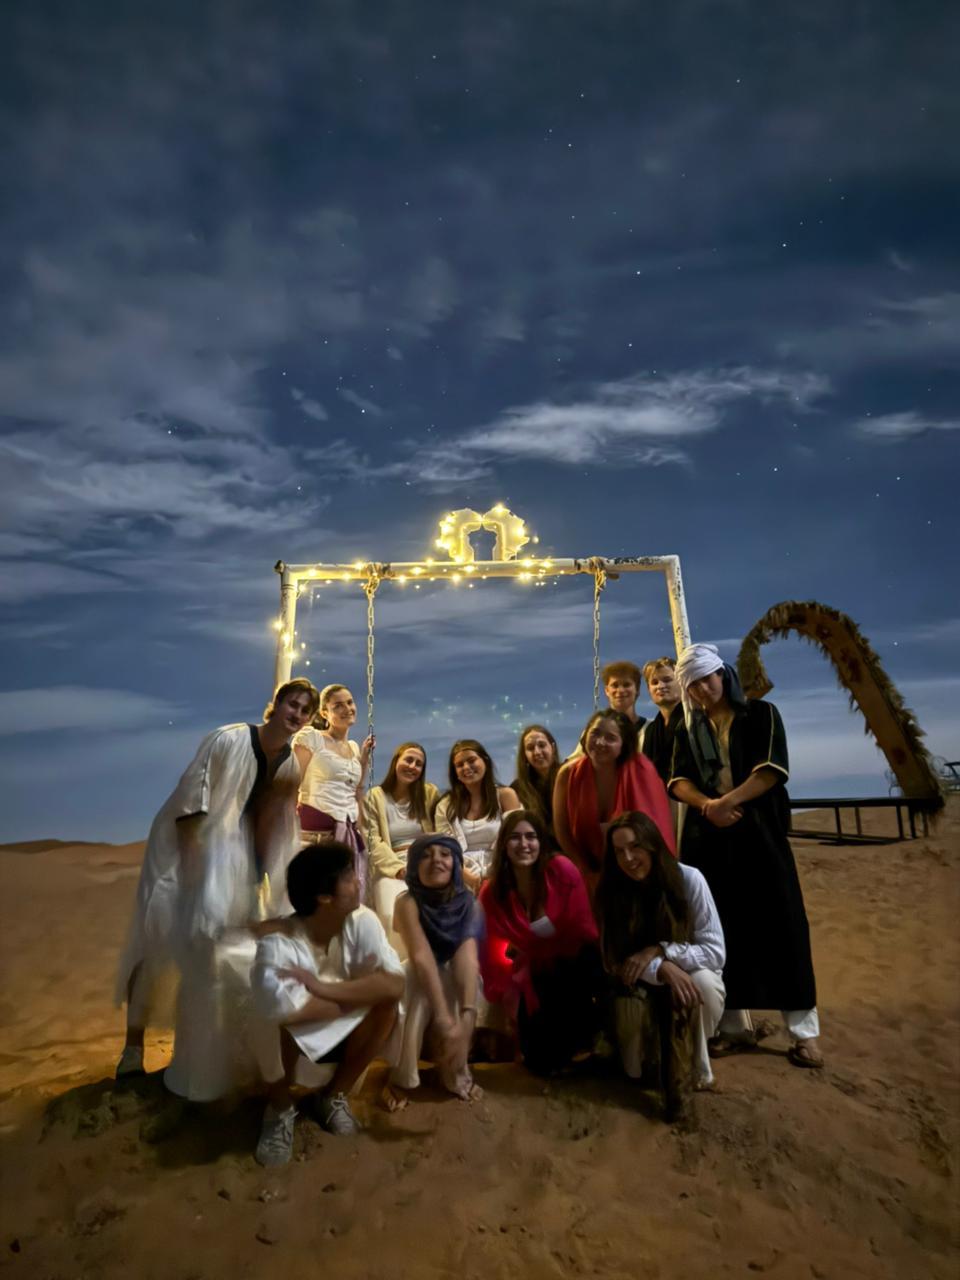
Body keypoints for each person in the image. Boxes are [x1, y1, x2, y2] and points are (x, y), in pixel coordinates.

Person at [114, 678, 320, 1093]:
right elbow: (192, 803)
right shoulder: (227, 739)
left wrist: (274, 887)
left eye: (304, 710)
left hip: (235, 863)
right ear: (275, 705)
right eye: (291, 705)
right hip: (180, 853)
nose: (295, 714)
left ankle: (198, 1056)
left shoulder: (289, 766)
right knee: (158, 936)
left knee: (215, 949)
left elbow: (276, 827)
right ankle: (132, 1048)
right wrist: (194, 877)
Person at [669, 643, 823, 1068]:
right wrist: (707, 807)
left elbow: (771, 769)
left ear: (724, 675)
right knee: (721, 927)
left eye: (707, 679)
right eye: (694, 684)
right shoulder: (688, 727)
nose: (702, 689)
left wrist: (728, 802)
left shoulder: (761, 714)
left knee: (784, 923)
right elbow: (678, 779)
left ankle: (804, 1032)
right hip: (710, 840)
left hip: (760, 834)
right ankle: (735, 1027)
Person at [250, 841, 404, 1165]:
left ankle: (333, 1097)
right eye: (349, 878)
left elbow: (394, 984)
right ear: (324, 897)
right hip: (287, 1039)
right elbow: (286, 1010)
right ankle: (279, 1108)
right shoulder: (279, 944)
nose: (359, 882)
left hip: (341, 1026)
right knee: (271, 1021)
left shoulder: (363, 921)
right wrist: (357, 995)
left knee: (388, 1006)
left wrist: (323, 990)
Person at [596, 812, 726, 1114]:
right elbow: (614, 958)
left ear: (652, 844)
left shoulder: (689, 879)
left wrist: (662, 951)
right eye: (619, 851)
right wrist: (663, 969)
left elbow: (715, 951)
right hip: (638, 984)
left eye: (635, 847)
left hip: (687, 977)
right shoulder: (610, 893)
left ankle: (694, 1059)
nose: (628, 858)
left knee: (703, 985)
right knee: (636, 1069)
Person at [478, 811, 601, 1075]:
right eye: (515, 838)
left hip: (574, 967)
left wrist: (538, 956)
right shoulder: (492, 892)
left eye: (531, 837)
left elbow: (583, 932)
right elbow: (487, 951)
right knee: (541, 1063)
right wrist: (507, 991)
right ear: (503, 845)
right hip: (532, 974)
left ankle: (590, 1033)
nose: (524, 844)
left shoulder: (562, 871)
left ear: (541, 842)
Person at [383, 835, 484, 1110]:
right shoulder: (406, 902)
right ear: (415, 865)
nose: (436, 860)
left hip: (455, 970)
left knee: (467, 982)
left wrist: (466, 1017)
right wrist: (442, 1017)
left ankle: (455, 1072)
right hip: (418, 971)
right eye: (426, 855)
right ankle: (401, 1077)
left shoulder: (470, 903)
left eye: (445, 854)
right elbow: (421, 956)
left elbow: (467, 956)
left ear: (456, 864)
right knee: (417, 993)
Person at [553, 710, 675, 901]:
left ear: (623, 745)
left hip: (639, 873)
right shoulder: (567, 774)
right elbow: (562, 830)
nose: (600, 742)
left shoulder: (643, 771)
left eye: (610, 738)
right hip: (590, 873)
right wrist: (587, 873)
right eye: (595, 734)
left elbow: (657, 831)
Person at [295, 684, 375, 903]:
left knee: (346, 903)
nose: (347, 708)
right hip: (315, 838)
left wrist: (364, 760)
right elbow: (292, 783)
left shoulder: (353, 748)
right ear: (324, 713)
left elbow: (354, 789)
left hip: (347, 836)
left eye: (349, 702)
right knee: (316, 902)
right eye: (338, 705)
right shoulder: (312, 738)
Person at [364, 742, 439, 948]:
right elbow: (372, 841)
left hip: (425, 864)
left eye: (419, 764)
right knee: (392, 912)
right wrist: (398, 869)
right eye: (408, 759)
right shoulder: (375, 797)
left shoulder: (429, 794)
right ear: (396, 761)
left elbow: (439, 831)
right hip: (392, 867)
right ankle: (399, 970)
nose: (412, 766)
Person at [434, 740, 521, 890]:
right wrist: (466, 877)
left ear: (485, 761)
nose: (466, 767)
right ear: (455, 773)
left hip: (502, 870)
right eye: (459, 765)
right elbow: (444, 849)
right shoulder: (445, 805)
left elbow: (515, 839)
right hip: (458, 873)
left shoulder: (506, 795)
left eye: (471, 760)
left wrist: (491, 875)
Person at [511, 725, 561, 839]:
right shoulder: (517, 788)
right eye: (530, 748)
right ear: (525, 755)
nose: (537, 752)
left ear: (552, 748)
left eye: (542, 745)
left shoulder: (568, 776)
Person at [639, 657, 683, 783]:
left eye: (667, 680)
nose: (660, 686)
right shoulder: (651, 731)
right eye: (654, 682)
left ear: (680, 682)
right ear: (649, 689)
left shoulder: (694, 719)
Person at [601, 660, 647, 730]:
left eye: (626, 685)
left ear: (637, 689)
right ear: (607, 690)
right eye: (615, 685)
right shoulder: (595, 730)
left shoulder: (650, 729)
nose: (620, 690)